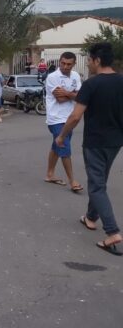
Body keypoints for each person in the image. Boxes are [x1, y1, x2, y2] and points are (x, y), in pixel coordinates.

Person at [56, 42, 123, 256]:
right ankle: (91, 217)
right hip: (115, 141)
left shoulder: (91, 85)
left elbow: (75, 116)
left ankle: (112, 232)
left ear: (96, 60)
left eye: (91, 60)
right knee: (100, 179)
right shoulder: (121, 81)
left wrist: (62, 136)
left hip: (95, 141)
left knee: (96, 185)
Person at [44, 52, 83, 193]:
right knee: (64, 146)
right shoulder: (52, 77)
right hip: (56, 119)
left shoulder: (76, 76)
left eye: (69, 64)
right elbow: (60, 99)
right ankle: (72, 181)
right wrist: (73, 94)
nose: (65, 66)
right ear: (59, 62)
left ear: (74, 64)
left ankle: (49, 174)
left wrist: (67, 93)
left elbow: (81, 95)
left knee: (57, 145)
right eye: (63, 63)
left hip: (70, 118)